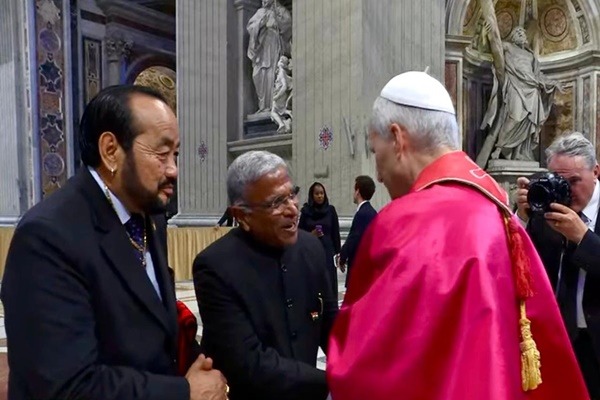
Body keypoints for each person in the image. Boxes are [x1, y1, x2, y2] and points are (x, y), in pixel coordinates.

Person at [326, 71, 588, 399]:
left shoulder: (402, 224)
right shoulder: (502, 217)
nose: (378, 174)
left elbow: (364, 367)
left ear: (396, 138)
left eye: (374, 151)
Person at [1, 85, 228, 400]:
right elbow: (67, 386)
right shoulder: (47, 237)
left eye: (175, 155)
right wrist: (183, 392)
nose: (174, 170)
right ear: (110, 150)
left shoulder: (147, 218)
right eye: (162, 154)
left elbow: (154, 329)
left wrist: (201, 369)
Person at [193, 151, 338, 400]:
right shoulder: (215, 267)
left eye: (292, 194)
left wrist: (364, 367)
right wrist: (331, 383)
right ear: (242, 216)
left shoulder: (311, 249)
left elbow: (331, 325)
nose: (292, 209)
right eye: (276, 202)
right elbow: (250, 363)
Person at [516, 132, 600, 399]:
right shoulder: (547, 210)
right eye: (560, 181)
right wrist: (522, 216)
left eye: (574, 181)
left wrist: (583, 238)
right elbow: (520, 264)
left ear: (595, 172)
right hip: (559, 341)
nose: (568, 191)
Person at [476, 22, 562, 167]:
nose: (522, 35)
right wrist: (485, 34)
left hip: (532, 90)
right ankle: (499, 148)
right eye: (519, 33)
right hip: (515, 86)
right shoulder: (508, 47)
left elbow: (537, 75)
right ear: (514, 37)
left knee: (528, 121)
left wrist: (552, 83)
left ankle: (521, 152)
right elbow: (491, 48)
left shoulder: (530, 55)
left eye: (523, 33)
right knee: (514, 118)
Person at [246, 0, 292, 114]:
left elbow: (288, 26)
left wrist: (277, 21)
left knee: (273, 74)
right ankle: (263, 106)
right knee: (258, 74)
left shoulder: (280, 11)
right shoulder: (260, 12)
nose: (265, 0)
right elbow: (251, 27)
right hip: (261, 52)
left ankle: (273, 105)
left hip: (273, 49)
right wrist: (261, 24)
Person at [299, 182, 341, 299]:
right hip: (310, 252)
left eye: (322, 193)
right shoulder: (306, 211)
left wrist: (339, 253)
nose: (320, 196)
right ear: (312, 195)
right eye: (317, 194)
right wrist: (310, 235)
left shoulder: (330, 210)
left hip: (327, 251)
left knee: (328, 283)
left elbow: (335, 233)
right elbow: (299, 233)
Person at [337, 175, 377, 287]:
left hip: (360, 268)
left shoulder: (362, 214)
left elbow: (354, 238)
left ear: (357, 191)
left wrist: (342, 257)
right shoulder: (372, 212)